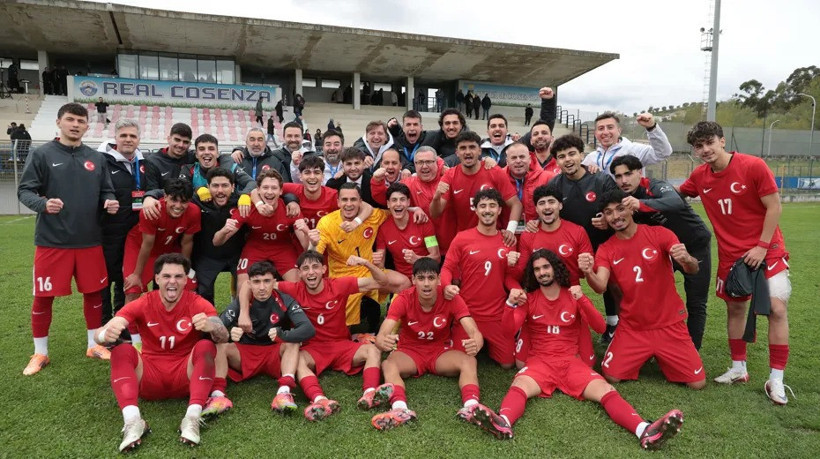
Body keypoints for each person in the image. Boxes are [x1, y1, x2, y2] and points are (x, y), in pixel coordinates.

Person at [471, 250, 685, 451]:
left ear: (555, 268)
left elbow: (601, 327)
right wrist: (510, 303)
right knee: (519, 385)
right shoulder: (531, 299)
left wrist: (582, 299)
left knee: (606, 390)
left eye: (546, 267)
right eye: (536, 270)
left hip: (571, 362)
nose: (542, 273)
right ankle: (503, 422)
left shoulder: (573, 296)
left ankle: (644, 430)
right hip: (540, 362)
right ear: (532, 274)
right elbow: (509, 331)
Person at [679, 121, 792, 405]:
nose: (705, 150)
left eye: (709, 143)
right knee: (736, 308)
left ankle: (776, 378)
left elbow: (774, 206)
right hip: (731, 256)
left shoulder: (753, 166)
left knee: (776, 308)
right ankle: (738, 368)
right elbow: (677, 194)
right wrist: (642, 195)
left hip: (768, 250)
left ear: (721, 140)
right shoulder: (699, 176)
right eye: (698, 146)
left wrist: (762, 246)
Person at [17, 102, 120, 375]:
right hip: (52, 241)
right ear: (59, 122)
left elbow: (106, 192)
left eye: (80, 121)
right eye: (70, 120)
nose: (75, 125)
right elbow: (25, 191)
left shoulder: (96, 159)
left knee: (93, 293)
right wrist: (43, 204)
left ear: (87, 126)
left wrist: (109, 202)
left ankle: (92, 344)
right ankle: (40, 353)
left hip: (89, 240)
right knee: (43, 297)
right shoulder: (42, 154)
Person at [94, 253, 229, 451]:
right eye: (166, 276)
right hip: (150, 378)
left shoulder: (197, 302)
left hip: (185, 376)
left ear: (186, 280)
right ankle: (133, 422)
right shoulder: (143, 302)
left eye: (178, 276)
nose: (172, 282)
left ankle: (192, 417)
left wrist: (212, 326)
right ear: (157, 279)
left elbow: (223, 335)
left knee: (206, 347)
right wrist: (105, 334)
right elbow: (103, 332)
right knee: (121, 350)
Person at [579, 189, 706, 390]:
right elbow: (600, 286)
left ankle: (661, 354)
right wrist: (588, 272)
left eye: (620, 209)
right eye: (609, 212)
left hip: (669, 323)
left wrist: (687, 258)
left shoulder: (659, 234)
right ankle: (647, 353)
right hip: (633, 326)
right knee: (612, 376)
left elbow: (692, 269)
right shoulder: (606, 249)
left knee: (697, 383)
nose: (615, 216)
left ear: (630, 208)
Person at [246, 251, 386, 421]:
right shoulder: (292, 288)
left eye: (315, 267)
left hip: (341, 345)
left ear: (324, 269)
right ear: (299, 273)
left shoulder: (338, 285)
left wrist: (366, 262)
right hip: (312, 348)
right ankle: (320, 399)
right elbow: (252, 286)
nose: (310, 272)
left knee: (373, 350)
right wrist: (243, 315)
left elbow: (380, 282)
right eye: (305, 268)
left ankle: (370, 393)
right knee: (295, 361)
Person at [370, 258, 484, 430]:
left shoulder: (450, 297)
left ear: (439, 279)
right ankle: (400, 409)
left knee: (469, 361)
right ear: (413, 280)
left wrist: (476, 343)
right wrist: (382, 342)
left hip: (440, 351)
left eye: (431, 278)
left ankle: (471, 407)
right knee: (388, 364)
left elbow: (475, 332)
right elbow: (381, 335)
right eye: (421, 278)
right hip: (410, 352)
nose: (426, 284)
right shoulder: (404, 299)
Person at [611, 155, 712, 349]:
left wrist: (641, 204)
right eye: (618, 176)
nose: (623, 180)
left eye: (628, 174)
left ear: (640, 173)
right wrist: (602, 221)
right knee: (647, 296)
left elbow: (676, 202)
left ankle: (691, 351)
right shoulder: (621, 196)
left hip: (694, 245)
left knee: (696, 302)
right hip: (663, 251)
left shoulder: (655, 186)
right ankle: (649, 344)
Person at [209, 261, 315, 417]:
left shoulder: (285, 300)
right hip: (246, 353)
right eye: (257, 282)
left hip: (274, 354)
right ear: (250, 283)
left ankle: (283, 392)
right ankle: (217, 396)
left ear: (274, 282)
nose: (262, 287)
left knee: (292, 343)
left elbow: (308, 329)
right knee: (220, 346)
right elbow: (218, 327)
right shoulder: (241, 302)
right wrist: (229, 333)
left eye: (266, 281)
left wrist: (283, 335)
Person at [309, 183, 413, 334]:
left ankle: (390, 331)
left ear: (360, 202)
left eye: (353, 199)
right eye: (344, 200)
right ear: (338, 202)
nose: (349, 204)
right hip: (342, 276)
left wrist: (415, 209)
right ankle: (343, 336)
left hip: (369, 271)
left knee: (403, 283)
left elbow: (395, 211)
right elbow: (314, 256)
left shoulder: (372, 216)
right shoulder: (327, 223)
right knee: (341, 322)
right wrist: (312, 244)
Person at [508, 185, 594, 367]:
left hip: (569, 299)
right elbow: (521, 273)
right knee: (520, 364)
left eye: (551, 202)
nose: (547, 207)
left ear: (560, 206)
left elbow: (585, 273)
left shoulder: (577, 232)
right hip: (538, 300)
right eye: (542, 203)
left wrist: (587, 268)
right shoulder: (529, 235)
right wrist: (511, 263)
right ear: (536, 209)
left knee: (586, 363)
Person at [547, 134, 619, 343]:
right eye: (561, 156)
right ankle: (561, 324)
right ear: (557, 161)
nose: (567, 159)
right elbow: (548, 211)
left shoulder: (601, 179)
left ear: (582, 155)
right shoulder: (555, 184)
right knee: (561, 282)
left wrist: (607, 219)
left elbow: (616, 208)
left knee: (611, 284)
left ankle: (615, 324)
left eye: (572, 154)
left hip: (602, 243)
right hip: (569, 246)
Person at [441, 188, 520, 368]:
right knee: (460, 361)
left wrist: (515, 283)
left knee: (508, 363)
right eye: (482, 206)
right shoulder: (462, 238)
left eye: (492, 206)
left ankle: (486, 344)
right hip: (467, 313)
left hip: (496, 314)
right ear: (475, 210)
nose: (487, 210)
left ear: (499, 210)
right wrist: (446, 285)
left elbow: (508, 277)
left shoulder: (507, 240)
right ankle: (474, 340)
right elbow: (447, 268)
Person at [122, 179, 201, 335]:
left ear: (189, 201)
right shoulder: (152, 210)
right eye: (174, 200)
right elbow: (147, 244)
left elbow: (187, 242)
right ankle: (134, 337)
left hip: (167, 249)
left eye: (183, 202)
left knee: (188, 286)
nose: (178, 206)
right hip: (140, 247)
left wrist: (184, 270)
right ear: (165, 196)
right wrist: (137, 274)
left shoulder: (194, 211)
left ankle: (175, 328)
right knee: (133, 289)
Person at [213, 169, 309, 292]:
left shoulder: (290, 208)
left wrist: (307, 232)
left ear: (280, 191)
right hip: (255, 246)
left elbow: (305, 245)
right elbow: (217, 242)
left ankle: (291, 310)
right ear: (258, 190)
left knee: (297, 286)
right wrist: (224, 230)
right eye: (265, 188)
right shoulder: (248, 206)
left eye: (274, 188)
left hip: (283, 247)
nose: (269, 192)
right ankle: (243, 311)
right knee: (243, 285)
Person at [430, 131, 522, 244]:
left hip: (493, 239)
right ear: (457, 153)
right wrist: (436, 197)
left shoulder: (494, 171)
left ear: (480, 151)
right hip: (465, 241)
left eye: (472, 147)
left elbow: (516, 204)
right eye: (463, 148)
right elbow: (435, 213)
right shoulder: (450, 176)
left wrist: (510, 230)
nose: (467, 152)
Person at [98, 119, 146, 323]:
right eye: (124, 135)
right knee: (103, 281)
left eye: (132, 136)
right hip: (106, 232)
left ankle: (121, 322)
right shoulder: (100, 160)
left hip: (134, 233)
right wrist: (104, 202)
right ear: (115, 137)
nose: (128, 139)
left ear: (138, 139)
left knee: (125, 280)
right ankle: (104, 325)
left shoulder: (143, 163)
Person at [191, 168, 246, 305]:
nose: (220, 190)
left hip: (237, 256)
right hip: (208, 256)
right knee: (203, 295)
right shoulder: (198, 200)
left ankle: (239, 318)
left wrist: (291, 200)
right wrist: (149, 197)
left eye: (225, 185)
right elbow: (169, 192)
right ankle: (209, 322)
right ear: (207, 187)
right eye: (215, 186)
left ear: (233, 187)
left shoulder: (241, 201)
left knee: (248, 288)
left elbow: (268, 193)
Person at [373, 183, 440, 280]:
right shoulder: (383, 228)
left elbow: (436, 257)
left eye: (402, 199)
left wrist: (417, 259)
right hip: (401, 281)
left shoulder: (423, 221)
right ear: (388, 203)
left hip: (424, 276)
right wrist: (375, 261)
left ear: (408, 202)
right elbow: (380, 266)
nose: (398, 204)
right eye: (394, 200)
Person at [583, 112, 672, 179]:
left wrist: (652, 128)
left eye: (610, 127)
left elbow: (663, 153)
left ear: (619, 130)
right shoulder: (591, 158)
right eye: (601, 128)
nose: (605, 132)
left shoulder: (634, 150)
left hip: (629, 203)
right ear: (595, 134)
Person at [141, 123, 195, 218]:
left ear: (190, 144)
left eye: (185, 142)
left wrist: (230, 157)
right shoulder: (153, 161)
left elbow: (219, 158)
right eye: (177, 140)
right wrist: (149, 196)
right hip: (164, 213)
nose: (181, 145)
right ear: (169, 139)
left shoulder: (193, 157)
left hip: (188, 211)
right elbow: (153, 190)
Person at [502, 142, 554, 227]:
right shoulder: (498, 179)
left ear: (529, 159)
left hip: (537, 232)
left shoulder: (548, 178)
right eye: (514, 158)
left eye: (522, 157)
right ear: (507, 161)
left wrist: (540, 221)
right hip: (507, 234)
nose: (518, 161)